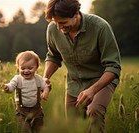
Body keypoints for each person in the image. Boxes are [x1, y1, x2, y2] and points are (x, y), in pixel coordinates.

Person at [43, 0, 121, 132]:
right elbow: (53, 56)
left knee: (94, 111)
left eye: (63, 22)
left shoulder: (100, 27)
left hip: (101, 81)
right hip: (74, 84)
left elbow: (113, 67)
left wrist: (93, 90)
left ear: (76, 14)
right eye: (55, 21)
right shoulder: (53, 28)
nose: (58, 26)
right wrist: (45, 78)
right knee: (74, 126)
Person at [2, 50, 50, 133]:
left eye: (30, 68)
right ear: (18, 67)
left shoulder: (38, 79)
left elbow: (46, 86)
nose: (26, 71)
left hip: (37, 111)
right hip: (21, 112)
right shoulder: (17, 79)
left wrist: (45, 92)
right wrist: (7, 87)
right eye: (23, 68)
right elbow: (11, 85)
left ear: (36, 67)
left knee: (38, 129)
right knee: (24, 130)